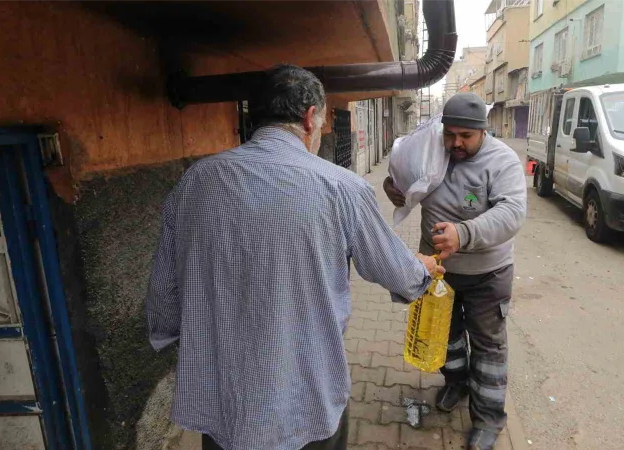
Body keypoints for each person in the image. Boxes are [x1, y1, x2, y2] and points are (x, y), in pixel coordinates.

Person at [145, 64, 444, 450]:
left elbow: (164, 293)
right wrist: (423, 267)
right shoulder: (343, 188)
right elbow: (400, 275)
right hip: (307, 402)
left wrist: (175, 336)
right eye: (321, 125)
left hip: (224, 403)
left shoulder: (196, 181)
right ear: (309, 118)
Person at [383, 92, 527, 450]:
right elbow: (405, 179)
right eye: (450, 134)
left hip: (488, 274)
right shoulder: (434, 152)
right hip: (439, 273)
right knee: (445, 337)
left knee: (489, 349)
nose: (456, 143)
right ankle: (456, 382)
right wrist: (395, 188)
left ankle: (489, 420)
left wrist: (464, 233)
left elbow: (512, 213)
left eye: (466, 136)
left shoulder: (503, 161)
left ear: (483, 131)